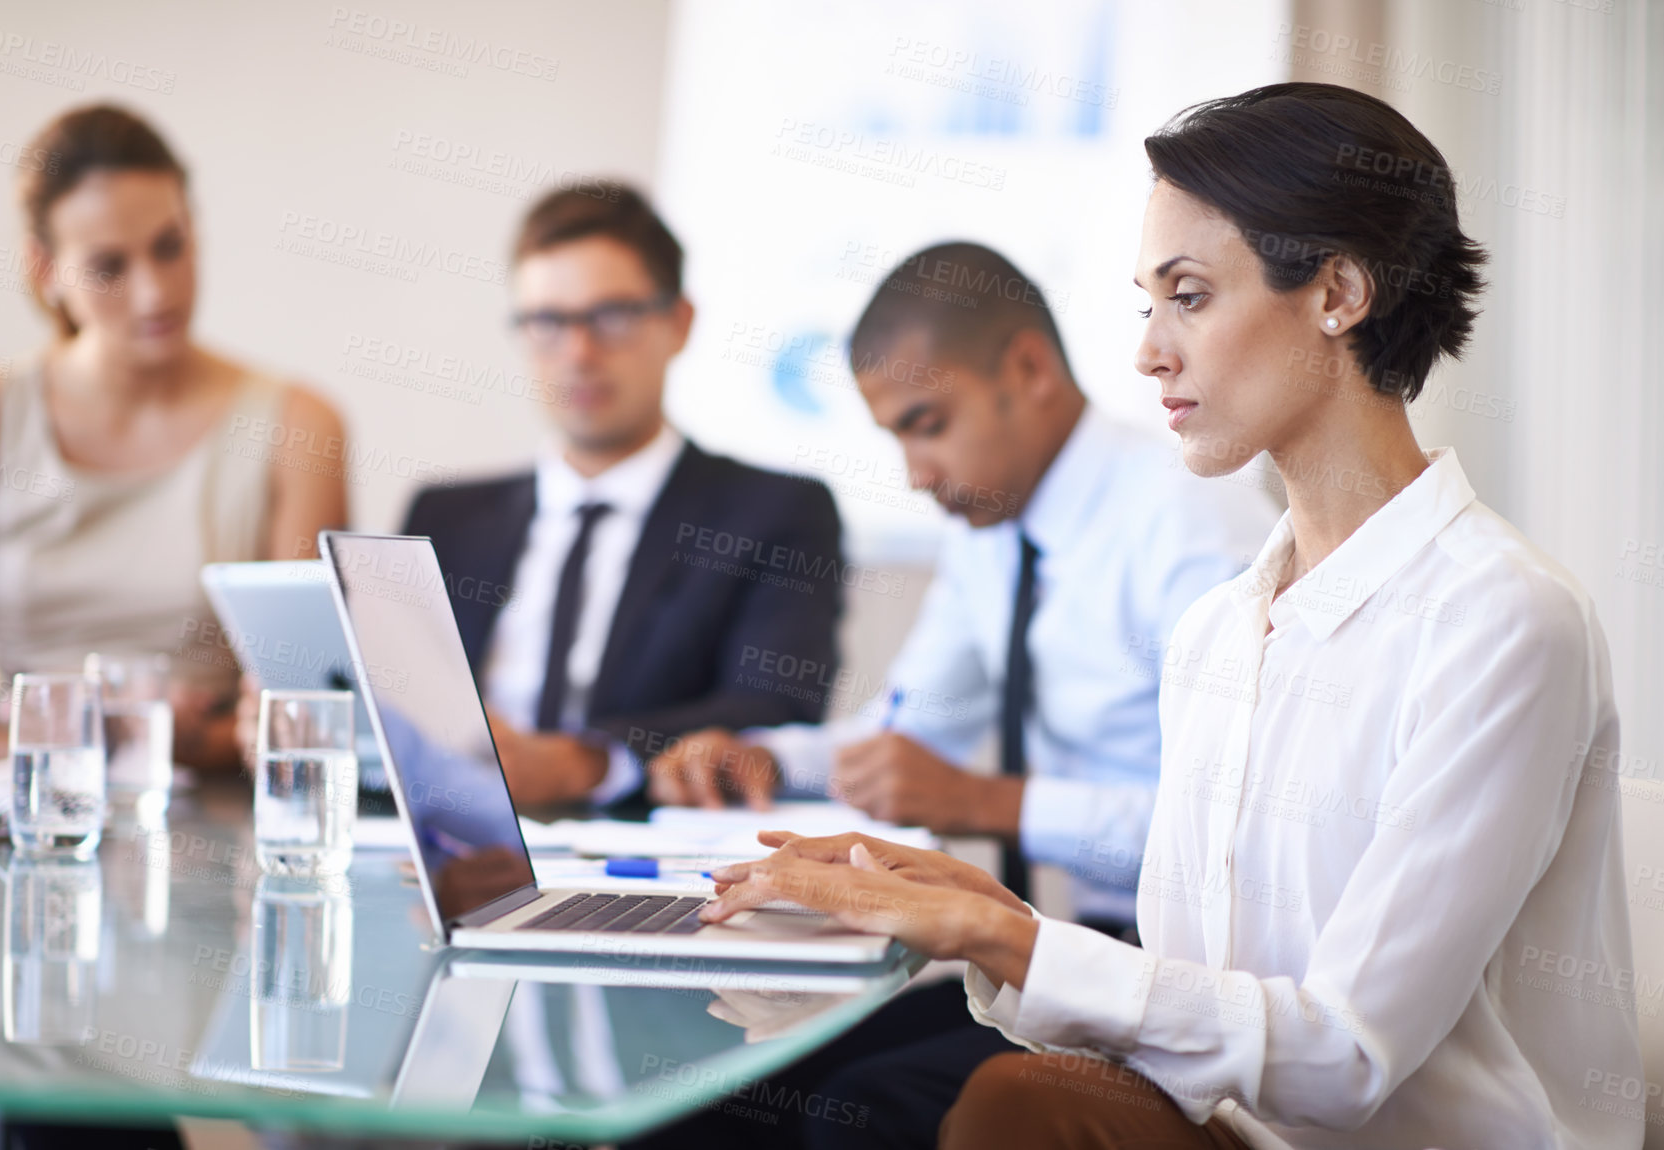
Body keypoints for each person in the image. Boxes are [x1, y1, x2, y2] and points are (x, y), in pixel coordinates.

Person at [698, 82, 1643, 1149]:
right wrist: (984, 917)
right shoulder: (1220, 630)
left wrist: (996, 931)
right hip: (1232, 1128)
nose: (1150, 351)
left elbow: (1343, 1062)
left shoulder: (1504, 621)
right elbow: (1195, 1003)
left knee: (996, 1106)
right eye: (1147, 304)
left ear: (1338, 292)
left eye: (1188, 295)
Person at [635, 242, 1276, 1149]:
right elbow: (904, 732)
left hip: (1187, 978)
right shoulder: (993, 533)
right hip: (1064, 944)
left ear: (1027, 368)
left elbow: (1232, 839)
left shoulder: (1189, 525)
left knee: (855, 1109)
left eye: (926, 423)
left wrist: (985, 803)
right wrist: (769, 758)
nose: (915, 473)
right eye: (896, 435)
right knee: (731, 1075)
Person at [0, 104, 346, 769]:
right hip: (10, 806)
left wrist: (174, 746)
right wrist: (101, 744)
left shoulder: (298, 426)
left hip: (202, 817)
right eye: (108, 267)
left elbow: (298, 719)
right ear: (45, 269)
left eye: (169, 247)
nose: (155, 294)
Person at [401, 184, 844, 807]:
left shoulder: (774, 512)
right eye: (548, 322)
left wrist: (582, 764)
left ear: (679, 323)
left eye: (613, 316)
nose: (579, 353)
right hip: (452, 836)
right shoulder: (445, 517)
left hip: (639, 856)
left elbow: (775, 706)